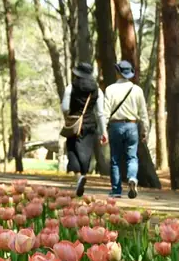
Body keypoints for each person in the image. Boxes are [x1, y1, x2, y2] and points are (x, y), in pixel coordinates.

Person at [104, 60, 148, 199]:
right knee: (132, 157)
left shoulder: (110, 89)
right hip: (132, 126)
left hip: (115, 126)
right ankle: (132, 178)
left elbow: (105, 112)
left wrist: (103, 130)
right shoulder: (137, 90)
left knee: (115, 159)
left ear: (118, 72)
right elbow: (143, 113)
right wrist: (145, 130)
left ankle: (116, 190)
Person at [61, 63, 106, 197]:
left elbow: (64, 107)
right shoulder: (97, 90)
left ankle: (78, 176)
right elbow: (100, 113)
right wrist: (104, 131)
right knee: (86, 151)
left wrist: (69, 117)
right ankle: (84, 174)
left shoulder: (71, 87)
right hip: (90, 124)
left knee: (72, 150)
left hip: (75, 123)